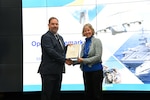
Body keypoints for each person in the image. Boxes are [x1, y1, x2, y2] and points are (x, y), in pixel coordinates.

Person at [37, 17, 72, 100]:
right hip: (49, 72)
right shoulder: (46, 37)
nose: (55, 26)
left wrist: (68, 48)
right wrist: (64, 60)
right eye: (53, 24)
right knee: (47, 95)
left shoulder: (60, 37)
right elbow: (51, 52)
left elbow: (60, 51)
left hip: (58, 70)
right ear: (48, 25)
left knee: (56, 95)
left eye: (56, 24)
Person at [75, 23, 103, 100]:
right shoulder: (83, 44)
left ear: (92, 31)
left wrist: (83, 60)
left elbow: (98, 57)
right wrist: (72, 62)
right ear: (83, 33)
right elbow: (82, 58)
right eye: (85, 31)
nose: (87, 32)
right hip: (86, 71)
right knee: (88, 94)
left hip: (96, 71)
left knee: (97, 95)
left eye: (88, 30)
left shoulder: (97, 41)